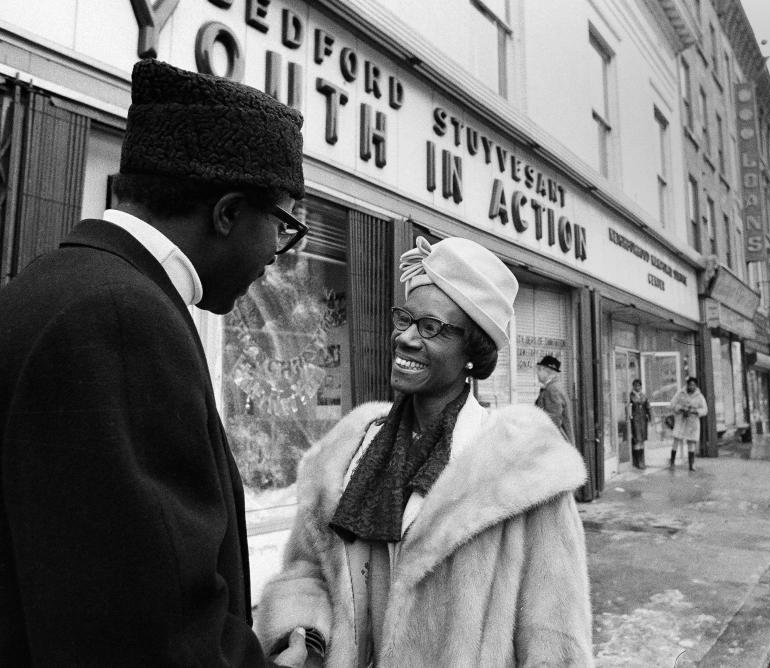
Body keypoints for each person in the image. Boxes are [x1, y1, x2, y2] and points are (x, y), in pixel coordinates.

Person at [0, 59, 309, 666]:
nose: (276, 255)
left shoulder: (60, 282)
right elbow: (146, 629)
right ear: (228, 213)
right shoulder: (121, 320)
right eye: (282, 226)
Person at [255, 236, 594, 666]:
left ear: (473, 351)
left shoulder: (522, 474)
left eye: (431, 328)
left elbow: (555, 640)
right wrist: (303, 637)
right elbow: (308, 569)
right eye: (405, 319)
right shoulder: (352, 448)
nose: (406, 338)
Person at [669, 377, 708, 471]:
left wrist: (695, 411)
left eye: (693, 385)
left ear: (696, 386)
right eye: (690, 385)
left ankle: (691, 464)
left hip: (692, 421)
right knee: (676, 440)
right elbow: (672, 404)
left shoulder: (699, 396)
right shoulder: (680, 393)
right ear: (687, 385)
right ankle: (672, 462)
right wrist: (681, 408)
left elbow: (705, 410)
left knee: (691, 441)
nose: (691, 387)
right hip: (681, 419)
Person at [535, 354, 574, 442]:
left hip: (556, 443)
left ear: (547, 372)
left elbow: (553, 421)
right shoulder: (553, 387)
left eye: (540, 369)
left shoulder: (552, 390)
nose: (537, 373)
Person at [628, 378, 652, 469]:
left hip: (643, 421)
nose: (638, 387)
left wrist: (650, 418)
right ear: (633, 386)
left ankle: (641, 460)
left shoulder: (644, 396)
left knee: (642, 440)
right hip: (635, 421)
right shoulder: (631, 396)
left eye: (639, 385)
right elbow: (628, 408)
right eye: (636, 385)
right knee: (637, 440)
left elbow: (648, 407)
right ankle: (637, 461)